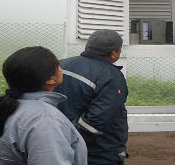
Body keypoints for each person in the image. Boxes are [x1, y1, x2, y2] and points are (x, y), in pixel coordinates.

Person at [0, 46, 87, 165]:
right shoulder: (45, 120)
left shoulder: (15, 106)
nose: (61, 69)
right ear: (50, 79)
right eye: (58, 65)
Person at [55, 29, 129, 165]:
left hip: (56, 140)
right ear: (114, 53)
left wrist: (60, 142)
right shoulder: (111, 77)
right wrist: (73, 143)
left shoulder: (60, 65)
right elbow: (98, 119)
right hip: (98, 152)